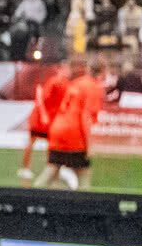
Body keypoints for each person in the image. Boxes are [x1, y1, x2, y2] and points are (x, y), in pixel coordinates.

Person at [37, 55, 104, 191]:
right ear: (103, 71)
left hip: (57, 130)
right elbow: (86, 117)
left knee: (52, 169)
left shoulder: (77, 83)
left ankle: (32, 196)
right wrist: (88, 146)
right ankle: (84, 202)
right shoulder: (94, 87)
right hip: (73, 134)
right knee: (84, 173)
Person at [18, 61, 67, 182]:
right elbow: (41, 98)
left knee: (52, 145)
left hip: (52, 120)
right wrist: (44, 115)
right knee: (32, 141)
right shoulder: (54, 82)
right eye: (65, 69)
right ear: (60, 69)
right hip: (39, 120)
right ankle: (25, 168)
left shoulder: (66, 83)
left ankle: (52, 169)